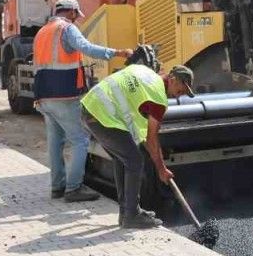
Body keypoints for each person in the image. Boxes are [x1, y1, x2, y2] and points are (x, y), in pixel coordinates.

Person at [32, 0, 133, 202]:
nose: (76, 18)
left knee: (55, 142)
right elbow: (86, 47)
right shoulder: (67, 29)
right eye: (76, 15)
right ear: (71, 12)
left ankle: (57, 187)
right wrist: (118, 53)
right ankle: (73, 189)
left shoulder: (42, 32)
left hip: (43, 96)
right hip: (64, 94)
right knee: (80, 140)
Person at [80, 51, 195, 229]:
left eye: (185, 93)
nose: (180, 95)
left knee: (123, 159)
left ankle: (126, 212)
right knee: (134, 161)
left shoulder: (145, 72)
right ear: (172, 79)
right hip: (101, 115)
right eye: (181, 89)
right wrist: (161, 169)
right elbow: (151, 138)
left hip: (91, 108)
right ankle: (132, 215)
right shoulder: (158, 97)